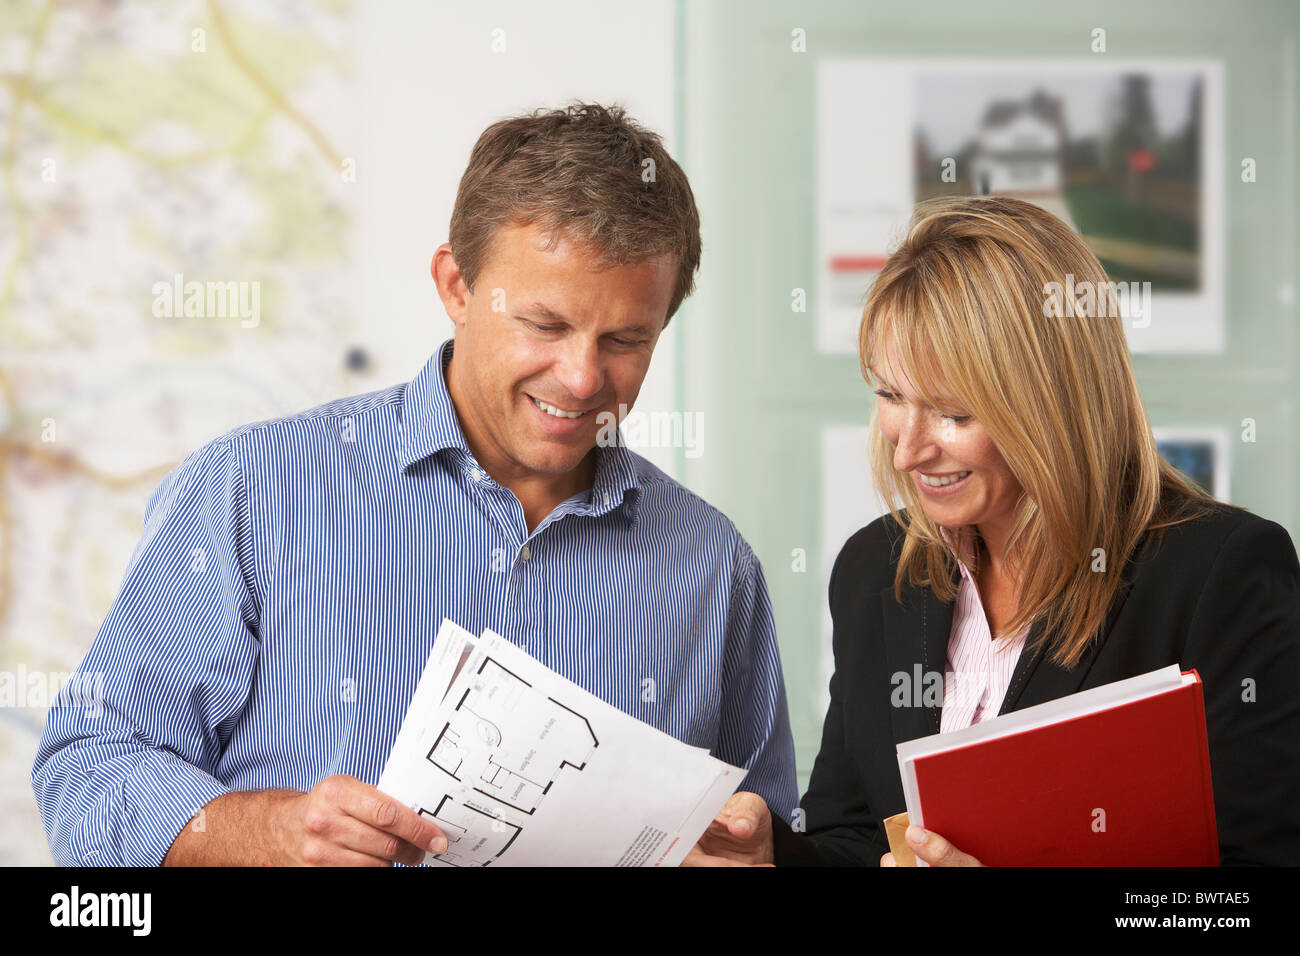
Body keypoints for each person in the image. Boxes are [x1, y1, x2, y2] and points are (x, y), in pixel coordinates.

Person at [32, 103, 799, 866]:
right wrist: (269, 832)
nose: (582, 376)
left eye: (627, 339)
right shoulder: (254, 492)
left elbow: (772, 831)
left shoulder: (713, 564)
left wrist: (763, 856)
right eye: (544, 324)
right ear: (456, 285)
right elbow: (86, 776)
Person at [684, 195, 1300, 867]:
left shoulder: (1222, 572)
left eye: (952, 413)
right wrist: (775, 854)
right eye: (891, 396)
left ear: (1050, 404)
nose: (906, 451)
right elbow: (858, 832)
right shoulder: (874, 570)